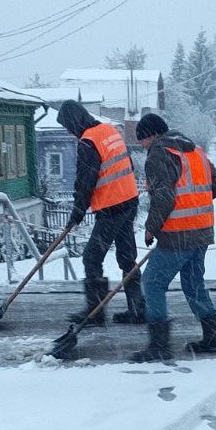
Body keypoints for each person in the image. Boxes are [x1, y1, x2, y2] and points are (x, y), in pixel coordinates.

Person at [128, 113, 216, 362]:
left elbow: (163, 198)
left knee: (152, 282)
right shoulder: (194, 151)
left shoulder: (160, 154)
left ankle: (159, 345)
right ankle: (214, 338)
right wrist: (195, 205)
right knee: (193, 284)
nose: (142, 145)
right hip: (202, 231)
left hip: (177, 234)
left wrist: (151, 228)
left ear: (153, 135)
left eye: (142, 140)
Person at [56, 100, 145, 327]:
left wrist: (77, 213)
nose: (69, 131)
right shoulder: (109, 131)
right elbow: (128, 166)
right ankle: (138, 309)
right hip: (129, 200)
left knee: (91, 257)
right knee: (127, 257)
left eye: (67, 126)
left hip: (112, 207)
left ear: (73, 122)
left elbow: (85, 182)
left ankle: (95, 312)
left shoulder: (88, 142)